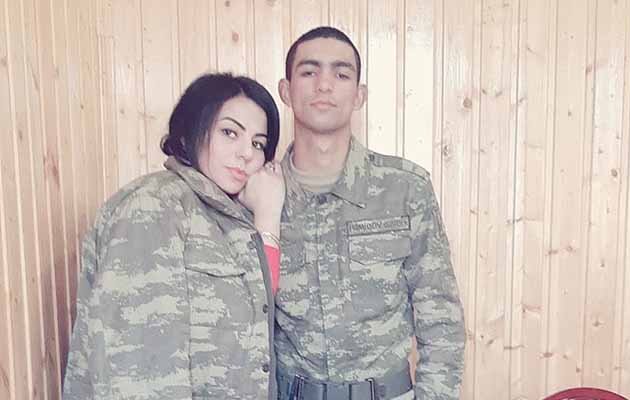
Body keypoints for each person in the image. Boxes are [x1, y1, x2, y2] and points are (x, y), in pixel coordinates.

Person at [63, 73, 284, 400]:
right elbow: (138, 365)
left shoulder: (229, 214)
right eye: (229, 132)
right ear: (192, 129)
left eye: (258, 143)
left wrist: (267, 216)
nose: (246, 153)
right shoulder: (153, 206)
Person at [274, 27, 466, 400]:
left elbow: (441, 318)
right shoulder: (259, 194)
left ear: (359, 95)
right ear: (286, 90)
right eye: (309, 71)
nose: (324, 85)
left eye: (341, 74)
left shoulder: (404, 188)